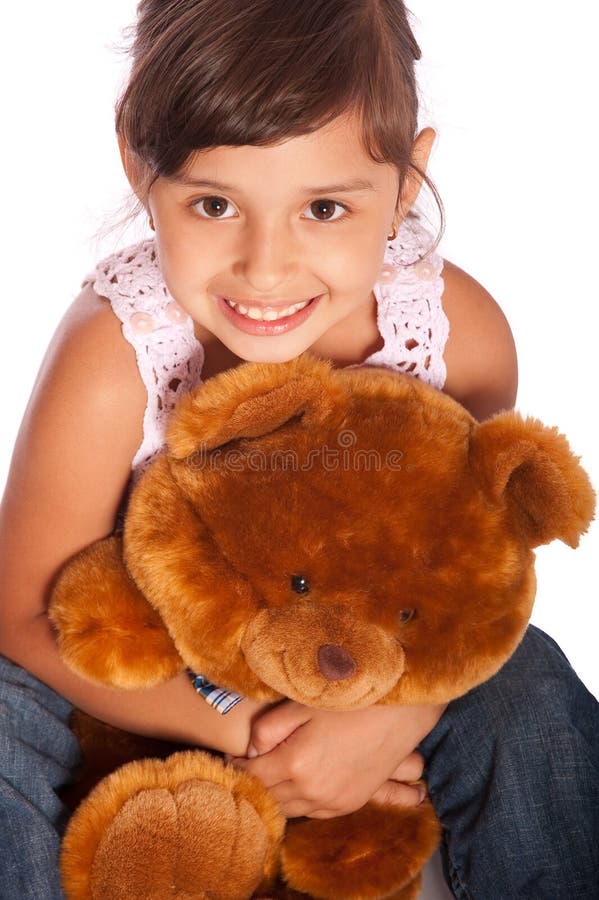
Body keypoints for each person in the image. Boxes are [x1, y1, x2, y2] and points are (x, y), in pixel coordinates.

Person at [0, 1, 597, 898]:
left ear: (404, 182)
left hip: (365, 666)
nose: (265, 269)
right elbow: (19, 619)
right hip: (154, 685)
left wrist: (396, 719)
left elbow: (465, 576)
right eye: (213, 204)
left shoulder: (453, 336)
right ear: (136, 166)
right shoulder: (117, 356)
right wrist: (255, 736)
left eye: (323, 207)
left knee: (528, 680)